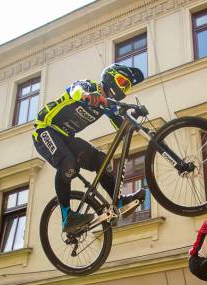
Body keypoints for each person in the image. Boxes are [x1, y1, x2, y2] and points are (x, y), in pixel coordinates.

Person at [32, 63, 146, 234]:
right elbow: (75, 90)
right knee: (69, 164)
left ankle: (120, 202)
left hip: (67, 137)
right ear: (110, 76)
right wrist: (87, 95)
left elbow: (122, 127)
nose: (123, 88)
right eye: (122, 82)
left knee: (102, 160)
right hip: (45, 129)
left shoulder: (108, 105)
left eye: (127, 86)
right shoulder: (88, 86)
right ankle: (67, 216)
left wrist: (135, 122)